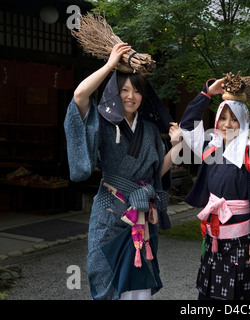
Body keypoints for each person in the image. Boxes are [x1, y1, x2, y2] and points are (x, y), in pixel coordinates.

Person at [64, 43, 177, 300]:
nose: (131, 96)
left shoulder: (148, 129)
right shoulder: (103, 122)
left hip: (141, 216)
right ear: (114, 92)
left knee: (139, 281)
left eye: (137, 91)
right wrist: (110, 65)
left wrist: (178, 146)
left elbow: (155, 173)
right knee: (103, 272)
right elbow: (80, 95)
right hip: (110, 212)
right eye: (124, 90)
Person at [171, 74, 250, 300]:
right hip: (213, 238)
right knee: (208, 293)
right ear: (216, 120)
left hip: (241, 240)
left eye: (234, 119)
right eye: (223, 118)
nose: (228, 125)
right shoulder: (210, 149)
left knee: (237, 295)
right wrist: (207, 93)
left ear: (244, 121)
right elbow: (188, 124)